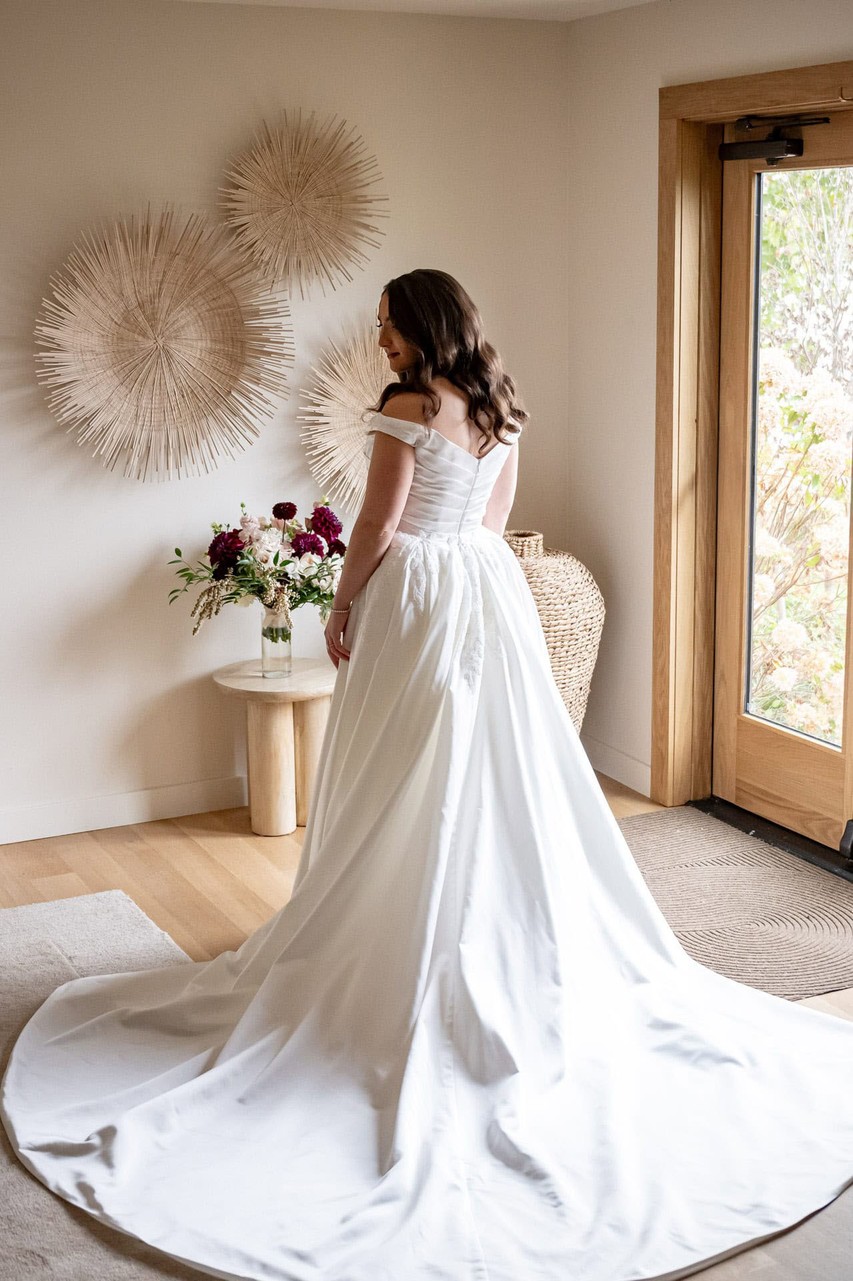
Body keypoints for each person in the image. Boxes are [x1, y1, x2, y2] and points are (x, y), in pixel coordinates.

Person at [3, 268, 853, 1281]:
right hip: (483, 591)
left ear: (417, 325)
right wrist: (457, 577)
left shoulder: (407, 408)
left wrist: (343, 605)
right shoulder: (501, 404)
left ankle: (399, 920)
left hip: (414, 593)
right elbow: (491, 524)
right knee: (492, 769)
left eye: (386, 328)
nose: (379, 345)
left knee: (401, 768)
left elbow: (373, 524)